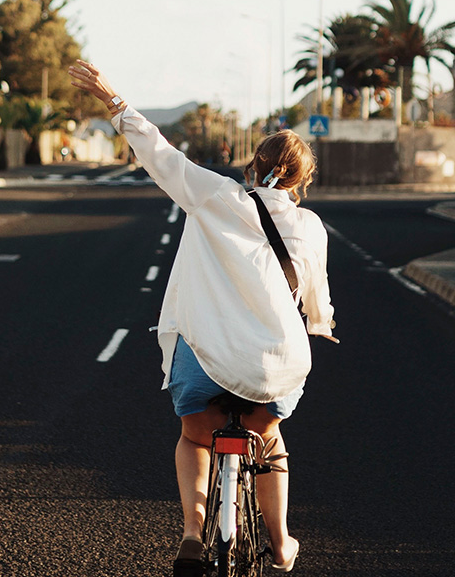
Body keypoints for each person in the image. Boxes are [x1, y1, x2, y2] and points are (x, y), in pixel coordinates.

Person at [68, 59, 336, 575]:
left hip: (205, 368)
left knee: (195, 437)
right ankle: (280, 544)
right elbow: (316, 301)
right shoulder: (310, 227)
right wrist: (320, 324)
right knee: (271, 442)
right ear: (301, 182)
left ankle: (193, 533)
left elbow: (160, 155)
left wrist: (113, 99)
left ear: (253, 166)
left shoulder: (215, 196)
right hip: (271, 373)